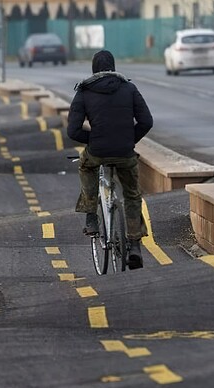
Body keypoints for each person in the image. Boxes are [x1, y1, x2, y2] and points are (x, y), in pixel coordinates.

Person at [67, 50, 153, 270]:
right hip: (125, 152)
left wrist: (93, 139)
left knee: (86, 166)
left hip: (97, 150)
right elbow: (146, 121)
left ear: (94, 69)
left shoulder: (84, 91)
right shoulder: (129, 88)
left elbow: (73, 130)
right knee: (132, 195)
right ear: (113, 68)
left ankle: (91, 218)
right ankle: (134, 245)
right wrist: (128, 139)